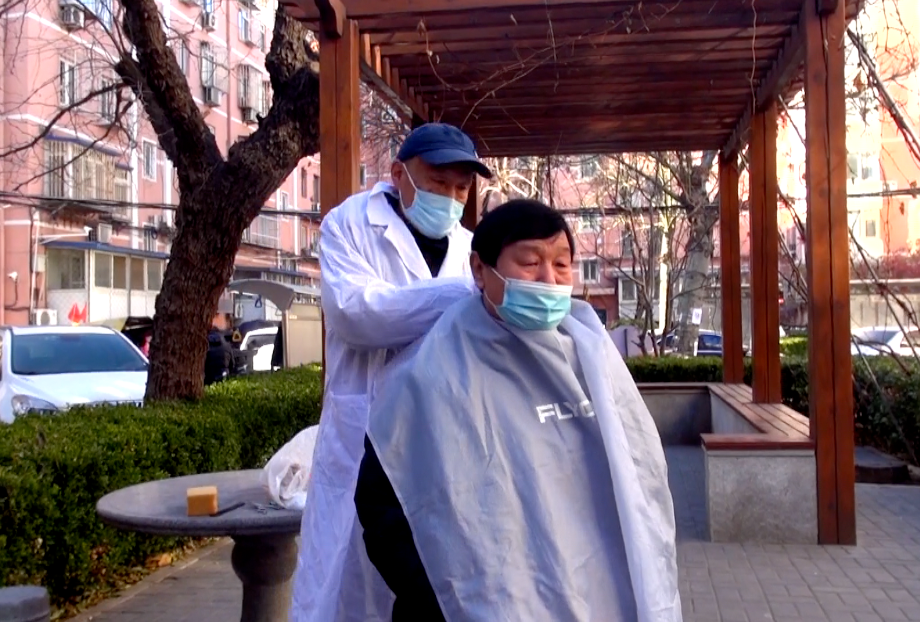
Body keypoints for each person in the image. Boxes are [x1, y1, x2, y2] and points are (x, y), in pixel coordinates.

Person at [354, 199, 682, 621]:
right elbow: (383, 500)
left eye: (561, 265)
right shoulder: (430, 375)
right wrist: (441, 592)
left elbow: (642, 478)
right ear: (479, 269)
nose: (548, 279)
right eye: (530, 263)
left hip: (601, 596)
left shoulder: (594, 360)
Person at [290, 123, 493, 622]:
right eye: (438, 181)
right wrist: (459, 297)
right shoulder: (350, 225)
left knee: (430, 582)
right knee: (351, 583)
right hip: (363, 431)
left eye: (461, 188)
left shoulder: (472, 247)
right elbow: (359, 315)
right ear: (399, 173)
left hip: (441, 440)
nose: (450, 198)